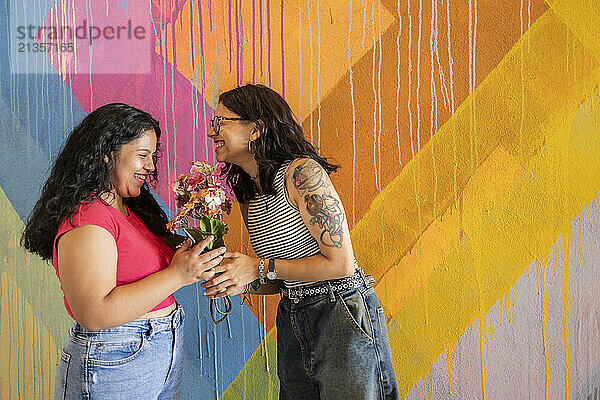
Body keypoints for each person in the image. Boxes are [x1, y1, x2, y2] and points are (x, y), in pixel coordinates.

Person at [202, 84, 399, 399]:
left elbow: (340, 264)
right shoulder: (248, 193)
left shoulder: (301, 174)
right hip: (293, 314)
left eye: (221, 122)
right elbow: (278, 277)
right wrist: (239, 279)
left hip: (340, 311)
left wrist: (257, 268)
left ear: (256, 129)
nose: (212, 132)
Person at [21, 103, 226, 399]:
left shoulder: (128, 209)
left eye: (152, 157)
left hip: (154, 351)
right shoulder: (88, 218)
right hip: (114, 360)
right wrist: (178, 275)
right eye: (142, 156)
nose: (151, 167)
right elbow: (94, 313)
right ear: (106, 154)